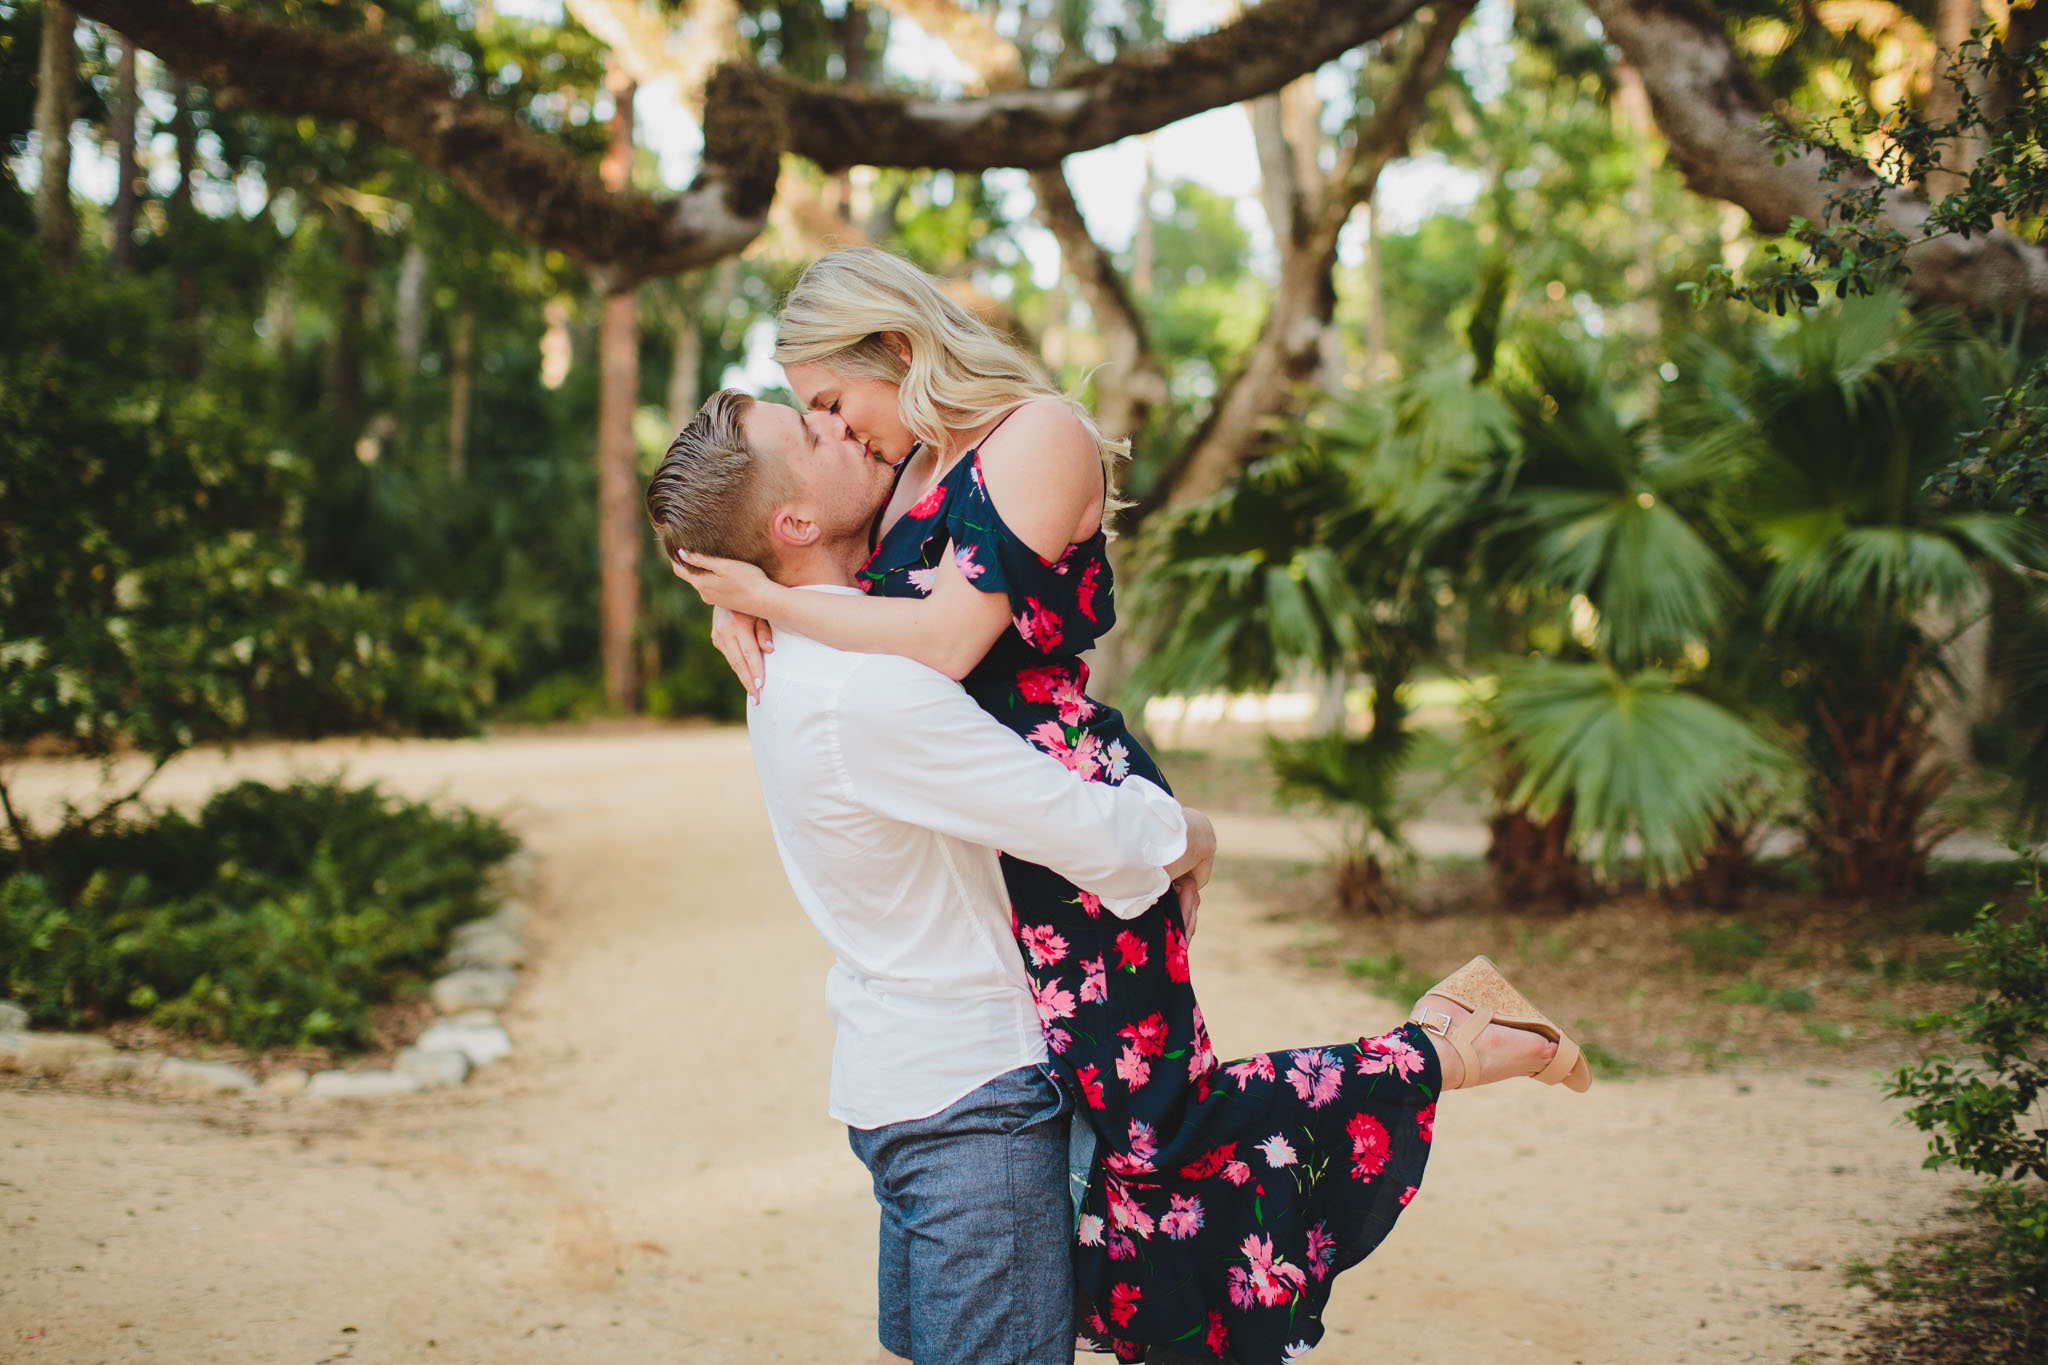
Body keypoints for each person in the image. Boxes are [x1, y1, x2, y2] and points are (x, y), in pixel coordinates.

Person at [669, 249, 1593, 1365]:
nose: (837, 427)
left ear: (897, 353)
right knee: (1132, 1186)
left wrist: (772, 597)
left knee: (1164, 1129)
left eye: (828, 401)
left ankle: (1439, 1048)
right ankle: (1425, 1060)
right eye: (812, 417)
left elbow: (950, 638)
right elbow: (804, 546)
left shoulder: (1033, 435)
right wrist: (749, 606)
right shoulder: (902, 473)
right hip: (1001, 824)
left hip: (1060, 803)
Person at [648, 387, 1222, 1365]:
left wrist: (735, 591)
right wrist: (1189, 833)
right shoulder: (863, 685)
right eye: (813, 429)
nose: (836, 421)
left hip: (904, 1083)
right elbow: (1070, 825)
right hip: (974, 1112)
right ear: (793, 522)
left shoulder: (810, 641)